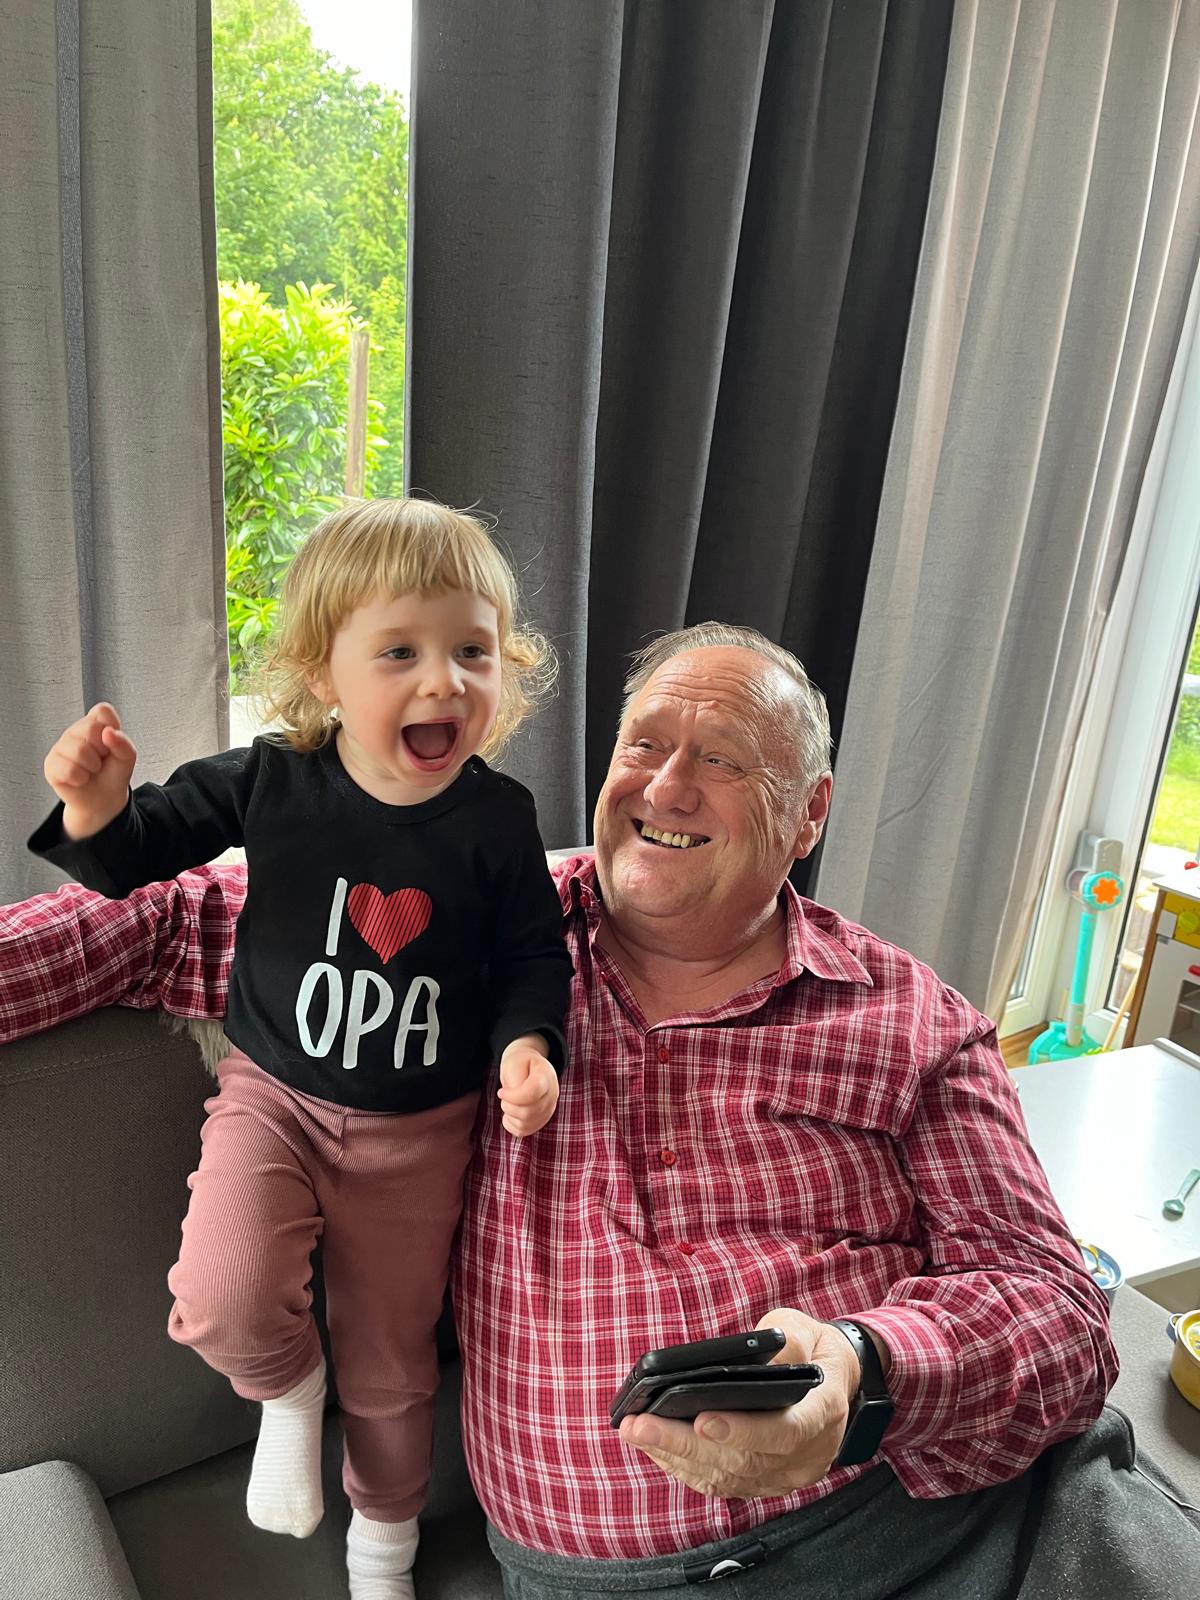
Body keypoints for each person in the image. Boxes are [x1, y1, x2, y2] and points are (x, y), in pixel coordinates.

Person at [6, 622, 1199, 1597]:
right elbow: (157, 919)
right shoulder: (471, 924)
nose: (665, 786)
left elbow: (1059, 1310)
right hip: (609, 1580)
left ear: (810, 811)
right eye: (645, 745)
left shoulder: (911, 1018)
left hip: (960, 1529)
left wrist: (859, 1374)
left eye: (723, 759)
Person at [24, 498, 573, 1600]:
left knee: (393, 1365)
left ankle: (384, 1548)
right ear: (325, 672)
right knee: (221, 1294)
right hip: (274, 1098)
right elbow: (138, 855)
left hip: (422, 1136)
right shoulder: (275, 778)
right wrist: (94, 807)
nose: (444, 682)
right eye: (401, 653)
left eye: (472, 652)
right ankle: (288, 1389)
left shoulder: (498, 818)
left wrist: (530, 1044)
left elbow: (531, 956)